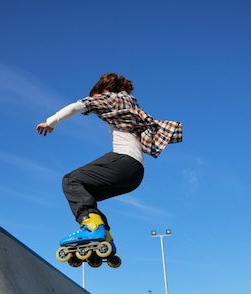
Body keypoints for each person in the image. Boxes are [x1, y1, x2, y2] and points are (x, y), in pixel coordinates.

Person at [36, 73, 183, 250]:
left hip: (124, 161)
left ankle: (91, 226)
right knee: (84, 194)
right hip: (135, 174)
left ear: (104, 90)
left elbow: (77, 107)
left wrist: (50, 122)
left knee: (71, 180)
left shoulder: (108, 98)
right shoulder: (129, 104)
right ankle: (105, 236)